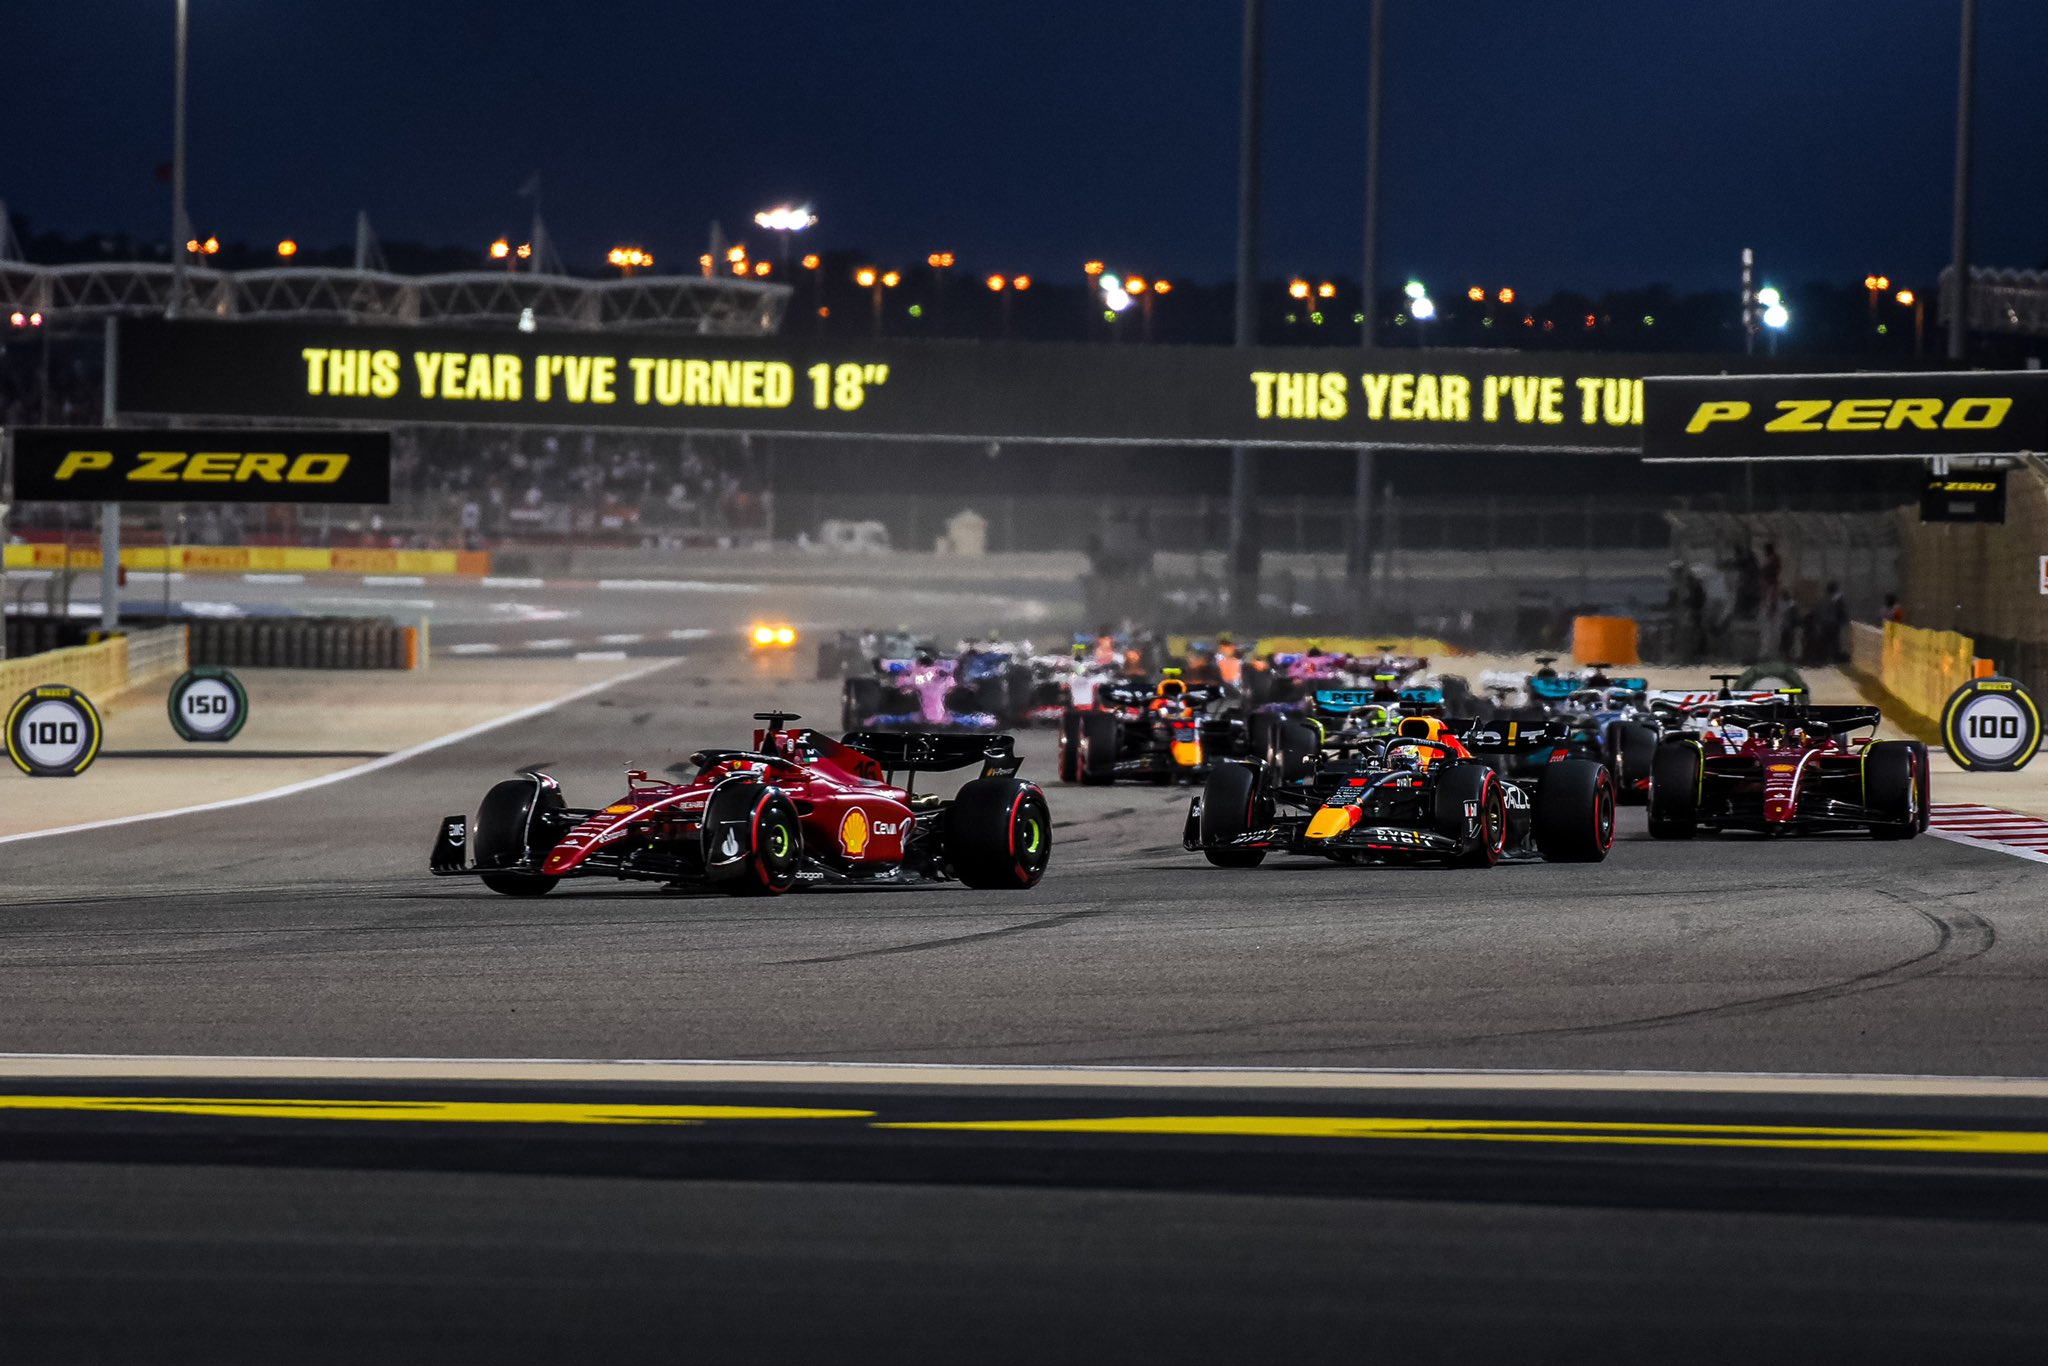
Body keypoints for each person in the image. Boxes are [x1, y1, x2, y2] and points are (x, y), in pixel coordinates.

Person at [1821, 581, 1849, 663]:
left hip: (1833, 623)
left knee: (1834, 641)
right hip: (1831, 623)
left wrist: (1841, 621)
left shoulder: (1837, 599)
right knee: (1832, 641)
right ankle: (1832, 657)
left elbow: (1841, 612)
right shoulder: (1834, 598)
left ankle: (1834, 657)